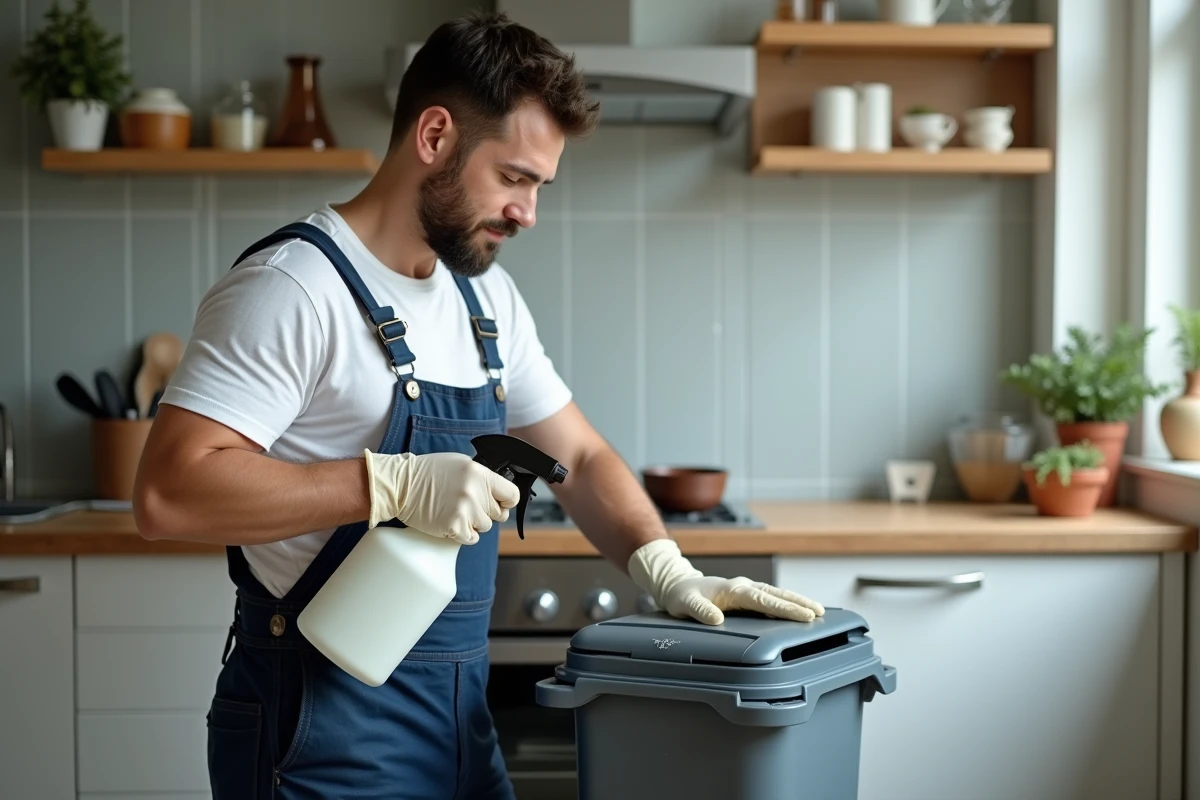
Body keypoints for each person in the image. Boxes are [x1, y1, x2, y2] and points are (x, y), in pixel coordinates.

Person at [132, 11, 825, 800]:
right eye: (515, 177)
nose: (528, 212)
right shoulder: (293, 288)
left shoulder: (483, 298)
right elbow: (167, 494)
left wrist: (663, 568)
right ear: (434, 136)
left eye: (538, 186)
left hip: (459, 731)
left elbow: (583, 459)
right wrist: (392, 485)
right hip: (322, 734)